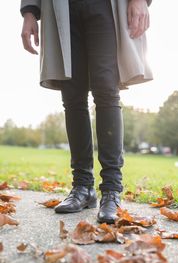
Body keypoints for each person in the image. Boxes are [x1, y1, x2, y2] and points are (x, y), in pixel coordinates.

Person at [20, 0, 153, 224]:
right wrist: (30, 11)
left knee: (106, 92)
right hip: (62, 7)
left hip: (105, 6)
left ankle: (111, 190)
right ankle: (82, 187)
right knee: (72, 96)